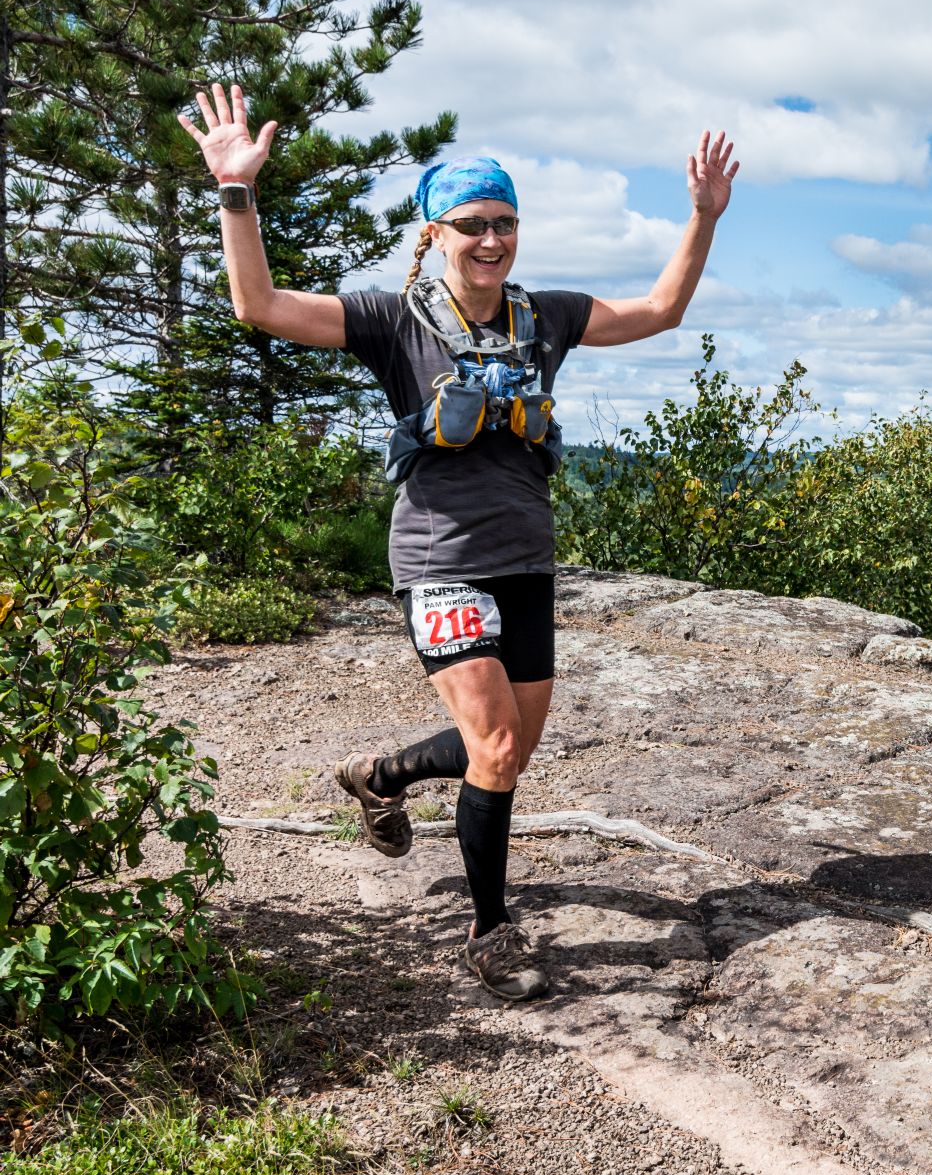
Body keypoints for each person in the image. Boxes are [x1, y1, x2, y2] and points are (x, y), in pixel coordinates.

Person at [180, 83, 738, 1002]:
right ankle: (490, 931)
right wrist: (236, 192)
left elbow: (660, 310)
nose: (493, 239)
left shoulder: (545, 316)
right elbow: (262, 306)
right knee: (490, 740)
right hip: (437, 559)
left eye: (506, 222)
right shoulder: (392, 321)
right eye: (473, 222)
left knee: (508, 749)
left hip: (525, 557)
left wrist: (702, 217)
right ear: (434, 232)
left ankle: (381, 773)